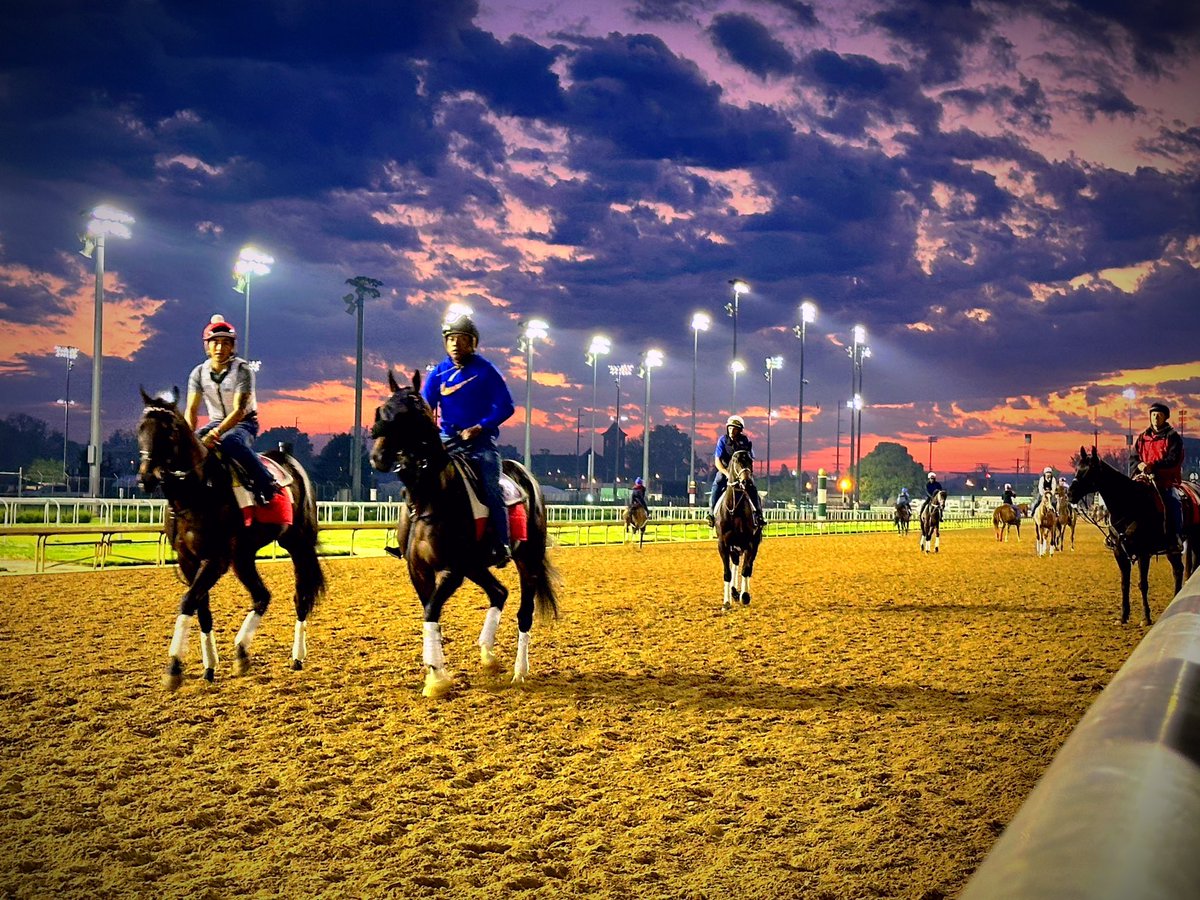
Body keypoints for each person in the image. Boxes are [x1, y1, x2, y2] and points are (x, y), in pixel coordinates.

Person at [422, 311, 516, 567]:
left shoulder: (486, 371)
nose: (454, 343)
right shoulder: (439, 373)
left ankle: (502, 543)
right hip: (448, 441)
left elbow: (506, 407)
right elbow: (425, 407)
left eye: (460, 338)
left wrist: (480, 427)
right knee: (418, 477)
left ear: (472, 342)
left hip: (480, 444)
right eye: (450, 338)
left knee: (491, 486)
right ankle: (411, 538)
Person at [184, 315, 280, 505]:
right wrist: (189, 437)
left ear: (232, 346)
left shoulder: (243, 370)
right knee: (190, 448)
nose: (220, 348)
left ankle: (266, 481)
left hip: (244, 422)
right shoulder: (198, 373)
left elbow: (239, 411)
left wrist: (215, 434)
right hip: (216, 421)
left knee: (231, 443)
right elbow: (191, 410)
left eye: (225, 343)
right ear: (207, 346)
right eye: (215, 343)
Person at [1131, 401, 1185, 550]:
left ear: (1165, 417)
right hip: (1143, 479)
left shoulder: (1172, 437)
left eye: (1159, 415)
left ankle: (1176, 537)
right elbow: (1133, 457)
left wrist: (1153, 467)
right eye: (1153, 415)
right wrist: (1139, 465)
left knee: (1173, 502)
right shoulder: (1142, 437)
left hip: (1165, 480)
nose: (1155, 418)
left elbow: (1173, 459)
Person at [706, 415, 764, 529]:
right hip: (725, 470)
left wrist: (746, 473)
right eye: (730, 427)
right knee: (717, 482)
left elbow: (751, 457)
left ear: (740, 430)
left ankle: (758, 515)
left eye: (735, 428)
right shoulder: (722, 440)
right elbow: (717, 461)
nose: (732, 430)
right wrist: (727, 474)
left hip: (741, 472)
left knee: (752, 487)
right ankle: (712, 514)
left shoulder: (745, 441)